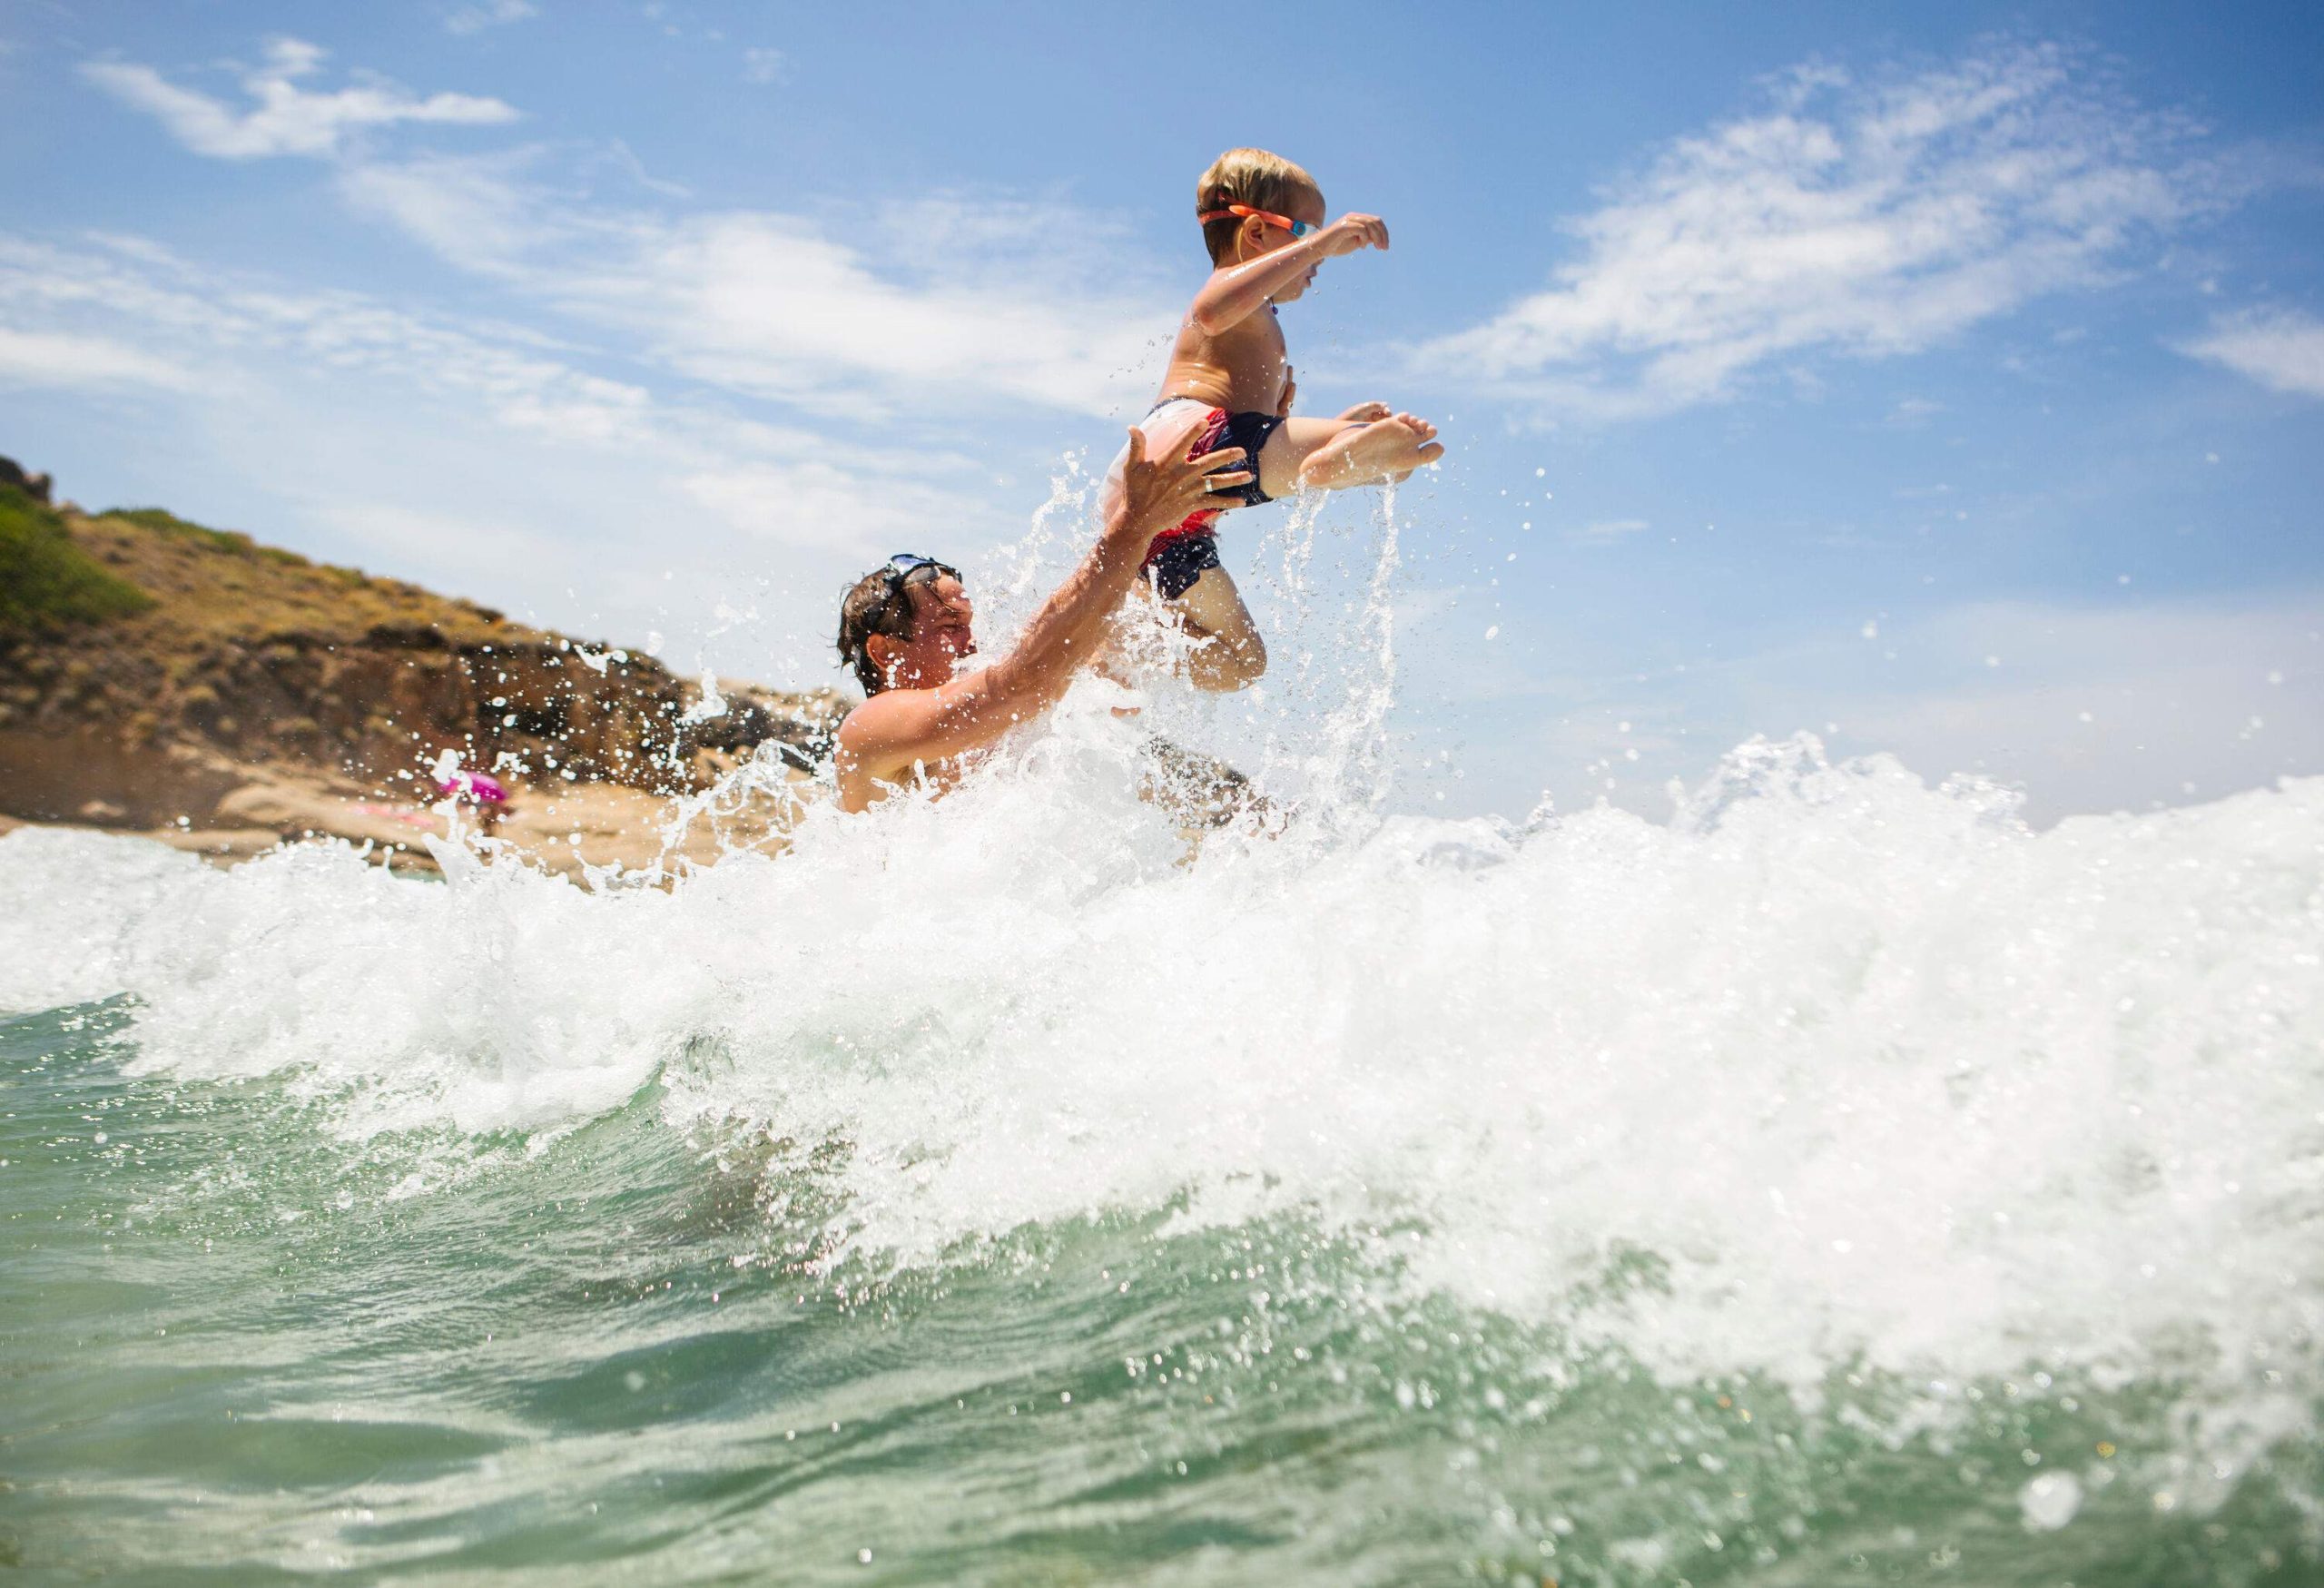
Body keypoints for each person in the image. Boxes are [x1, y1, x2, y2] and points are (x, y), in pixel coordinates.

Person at [1100, 146, 1447, 693]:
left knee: (1241, 663)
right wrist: (1326, 241)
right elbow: (1213, 310)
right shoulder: (1227, 297)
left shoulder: (1261, 319)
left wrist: (1336, 426)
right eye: (1305, 231)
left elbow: (1258, 439)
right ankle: (1332, 460)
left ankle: (1119, 653)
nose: (1318, 259)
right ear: (1257, 233)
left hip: (1180, 520)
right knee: (1386, 453)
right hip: (1183, 447)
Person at [831, 427, 1250, 814]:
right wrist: (1132, 527)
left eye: (967, 624)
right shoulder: (867, 731)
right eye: (948, 627)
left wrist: (1234, 441)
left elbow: (1232, 664)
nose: (970, 643)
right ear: (884, 651)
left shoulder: (989, 727)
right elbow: (1022, 684)